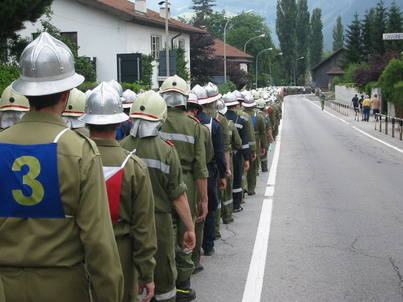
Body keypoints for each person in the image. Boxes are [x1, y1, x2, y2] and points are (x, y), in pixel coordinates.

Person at [0, 32, 123, 302]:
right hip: (63, 286)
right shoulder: (79, 150)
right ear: (67, 94)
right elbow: (99, 241)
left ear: (25, 92)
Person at [80, 82, 157, 302]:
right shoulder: (133, 165)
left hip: (79, 252)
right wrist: (146, 272)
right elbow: (143, 226)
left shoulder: (73, 160)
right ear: (118, 122)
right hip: (120, 252)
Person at [121, 91, 196, 302]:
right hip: (159, 224)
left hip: (127, 222)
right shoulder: (166, 151)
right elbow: (178, 197)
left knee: (133, 277)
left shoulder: (121, 147)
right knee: (164, 279)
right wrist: (189, 227)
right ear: (161, 118)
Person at [159, 75, 208, 302]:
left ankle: (162, 282)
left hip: (159, 182)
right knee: (185, 233)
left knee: (162, 229)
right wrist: (203, 200)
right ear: (185, 99)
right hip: (186, 183)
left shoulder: (156, 122)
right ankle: (183, 286)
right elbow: (200, 168)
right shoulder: (194, 126)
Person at [197, 83, 227, 256]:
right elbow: (219, 152)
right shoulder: (213, 124)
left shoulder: (192, 121)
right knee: (209, 206)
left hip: (189, 173)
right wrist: (223, 174)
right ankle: (208, 245)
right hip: (208, 171)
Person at [224, 92, 251, 213]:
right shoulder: (240, 120)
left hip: (223, 154)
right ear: (235, 106)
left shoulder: (221, 119)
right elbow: (243, 143)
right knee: (237, 180)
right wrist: (247, 158)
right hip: (236, 154)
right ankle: (236, 205)